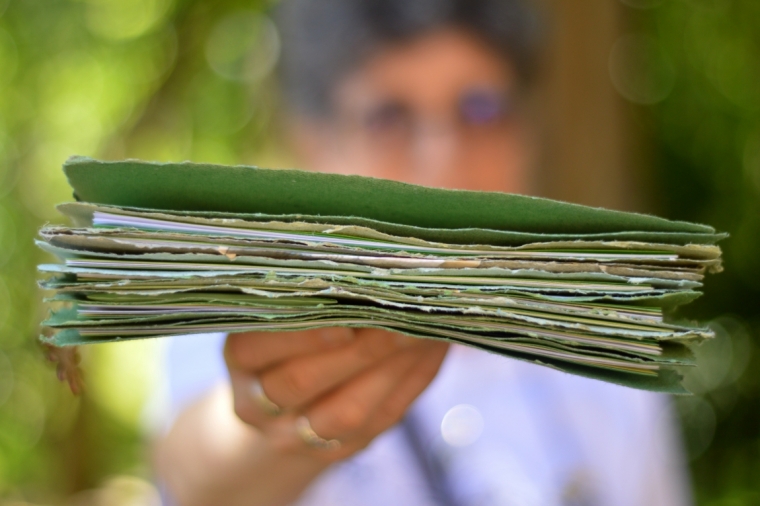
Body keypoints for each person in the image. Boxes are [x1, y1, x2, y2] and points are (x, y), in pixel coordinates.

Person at [155, 1, 693, 505]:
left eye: (480, 110)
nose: (443, 159)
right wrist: (284, 425)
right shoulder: (246, 303)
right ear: (315, 145)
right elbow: (190, 474)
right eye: (389, 117)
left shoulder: (603, 357)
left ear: (527, 132)